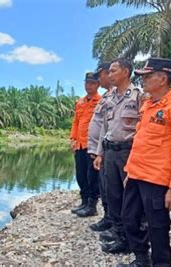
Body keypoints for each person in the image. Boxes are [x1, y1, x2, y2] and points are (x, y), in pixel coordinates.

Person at [117, 58, 171, 267]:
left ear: (163, 78)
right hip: (136, 175)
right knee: (129, 218)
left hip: (158, 181)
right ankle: (142, 259)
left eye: (148, 76)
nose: (143, 80)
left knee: (158, 228)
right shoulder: (147, 105)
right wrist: (129, 172)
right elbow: (140, 143)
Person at [93, 58, 142, 253]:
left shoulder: (138, 97)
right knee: (113, 196)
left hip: (128, 152)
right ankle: (120, 235)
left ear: (126, 72)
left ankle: (134, 240)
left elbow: (143, 130)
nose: (109, 74)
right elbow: (105, 127)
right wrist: (99, 153)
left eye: (113, 71)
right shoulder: (109, 98)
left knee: (130, 199)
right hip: (110, 152)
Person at [69, 72, 102, 217]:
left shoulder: (101, 101)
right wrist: (73, 139)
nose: (89, 86)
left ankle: (92, 205)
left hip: (93, 145)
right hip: (80, 145)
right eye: (87, 83)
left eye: (92, 83)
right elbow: (76, 122)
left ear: (98, 85)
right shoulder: (80, 102)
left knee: (92, 176)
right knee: (80, 174)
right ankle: (83, 201)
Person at [87, 62, 114, 231]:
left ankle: (115, 226)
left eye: (101, 75)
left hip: (112, 150)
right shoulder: (107, 96)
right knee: (104, 187)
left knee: (112, 190)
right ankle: (108, 218)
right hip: (101, 150)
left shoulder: (123, 97)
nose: (99, 78)